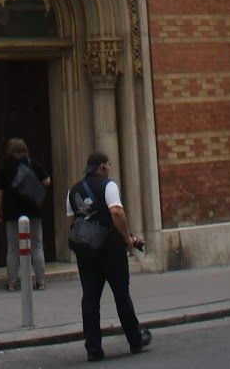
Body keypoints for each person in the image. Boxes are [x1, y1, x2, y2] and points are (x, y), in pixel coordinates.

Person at [66, 151, 152, 361]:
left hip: (86, 252)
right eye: (108, 165)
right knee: (121, 294)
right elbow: (116, 212)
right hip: (110, 249)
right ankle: (135, 338)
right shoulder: (109, 185)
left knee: (90, 298)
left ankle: (93, 349)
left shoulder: (72, 191)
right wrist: (127, 238)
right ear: (103, 167)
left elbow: (71, 220)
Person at [0, 137, 51, 291]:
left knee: (13, 248)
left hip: (12, 212)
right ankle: (41, 281)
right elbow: (47, 181)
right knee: (37, 246)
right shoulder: (33, 164)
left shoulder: (5, 167)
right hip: (33, 209)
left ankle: (12, 282)